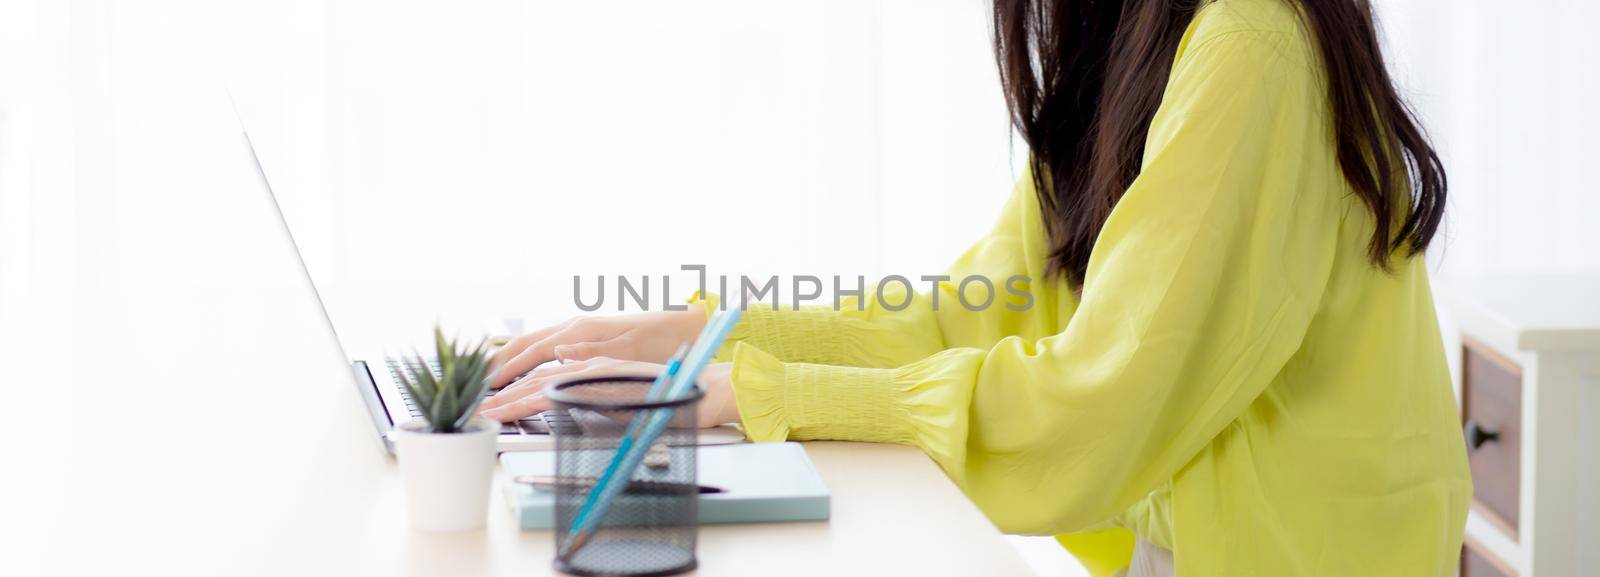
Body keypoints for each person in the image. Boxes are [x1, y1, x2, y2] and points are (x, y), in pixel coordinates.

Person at [479, 0, 1471, 574]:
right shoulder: (1132, 42)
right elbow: (963, 317)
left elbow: (1096, 403)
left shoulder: (1251, 44)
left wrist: (760, 393)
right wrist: (705, 333)